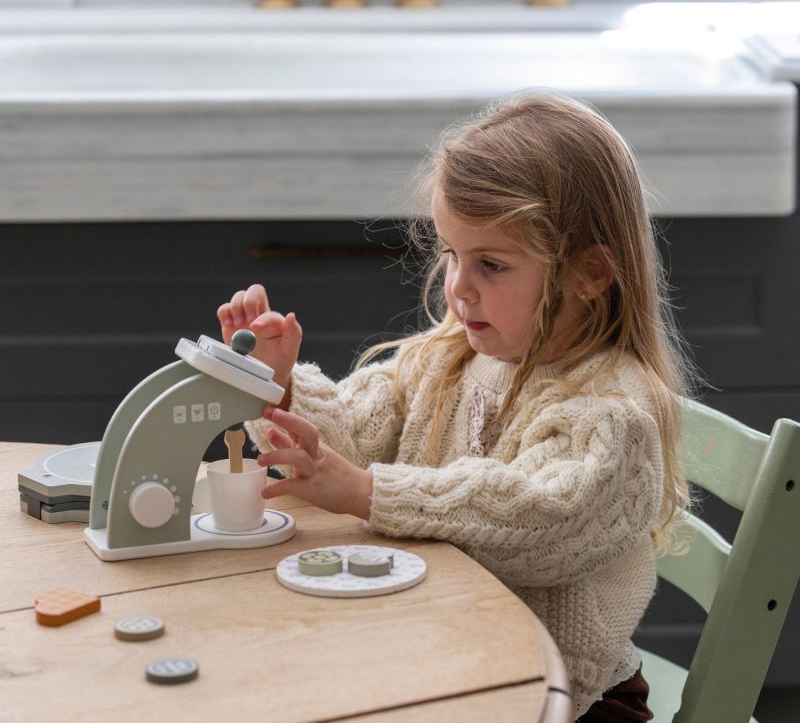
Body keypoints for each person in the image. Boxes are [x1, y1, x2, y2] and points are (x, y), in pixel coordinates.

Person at [217, 93, 696, 722]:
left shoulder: (610, 410)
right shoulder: (451, 357)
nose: (457, 288)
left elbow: (540, 521)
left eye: (491, 265)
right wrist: (275, 387)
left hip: (562, 695)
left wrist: (366, 493)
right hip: (452, 654)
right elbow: (355, 438)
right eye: (451, 254)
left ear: (592, 273)